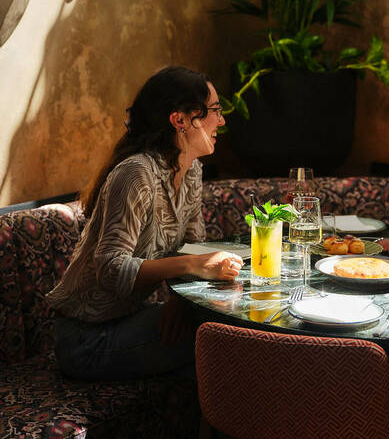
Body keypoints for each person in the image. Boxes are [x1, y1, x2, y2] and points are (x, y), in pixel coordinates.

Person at [46, 66, 244, 380]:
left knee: (223, 328)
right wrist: (192, 265)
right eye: (214, 111)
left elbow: (190, 245)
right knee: (224, 338)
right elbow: (111, 268)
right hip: (86, 339)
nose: (221, 120)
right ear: (179, 120)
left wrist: (180, 301)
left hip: (130, 318)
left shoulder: (191, 170)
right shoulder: (136, 174)